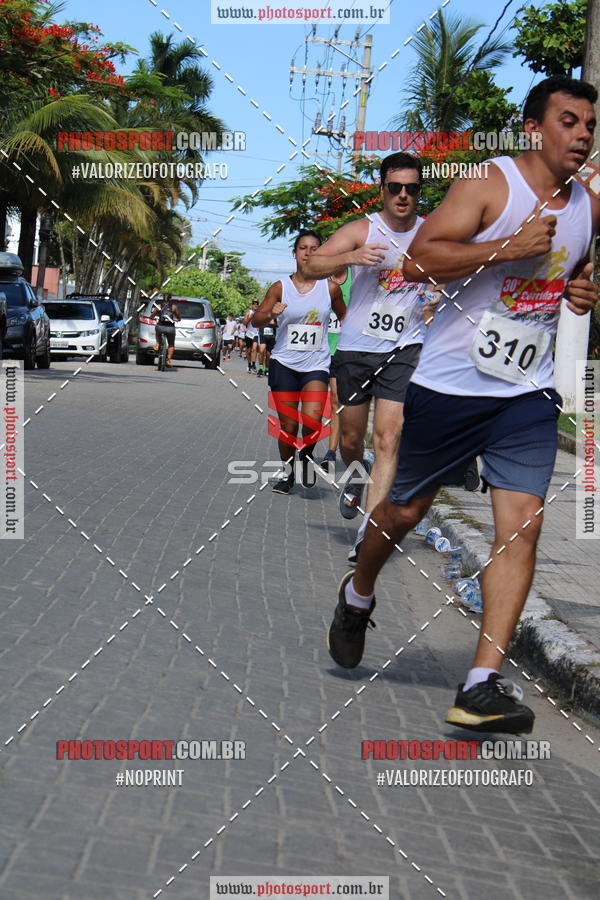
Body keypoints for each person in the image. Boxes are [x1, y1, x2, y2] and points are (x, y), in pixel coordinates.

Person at [327, 76, 600, 735]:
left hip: (526, 395)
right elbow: (420, 262)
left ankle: (481, 684)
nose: (583, 134)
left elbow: (575, 276)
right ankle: (358, 591)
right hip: (450, 386)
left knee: (524, 527)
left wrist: (581, 296)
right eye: (569, 121)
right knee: (405, 511)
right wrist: (505, 247)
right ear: (534, 128)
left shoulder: (588, 205)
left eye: (590, 124)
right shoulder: (488, 185)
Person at [305, 152, 438, 562]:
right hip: (356, 349)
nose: (403, 195)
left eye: (411, 189)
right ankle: (356, 471)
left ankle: (369, 532)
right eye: (395, 187)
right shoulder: (364, 229)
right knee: (350, 439)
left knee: (388, 437)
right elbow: (312, 264)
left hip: (405, 347)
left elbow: (456, 268)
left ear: (419, 192)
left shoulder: (432, 231)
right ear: (382, 189)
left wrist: (438, 294)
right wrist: (351, 256)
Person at [252, 230, 346, 493]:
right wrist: (270, 311)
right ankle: (289, 472)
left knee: (313, 419)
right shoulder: (281, 287)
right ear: (294, 254)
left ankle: (305, 455)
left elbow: (346, 318)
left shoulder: (330, 288)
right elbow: (255, 320)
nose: (308, 253)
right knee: (288, 426)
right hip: (284, 363)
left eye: (314, 248)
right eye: (303, 248)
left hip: (316, 364)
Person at [154, 292, 181, 367]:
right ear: (170, 299)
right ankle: (168, 360)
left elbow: (152, 316)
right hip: (170, 328)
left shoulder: (159, 306)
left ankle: (157, 344)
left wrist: (152, 318)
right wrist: (178, 319)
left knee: (157, 330)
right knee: (171, 344)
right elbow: (178, 317)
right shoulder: (174, 307)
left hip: (160, 327)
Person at [243, 301, 260, 372]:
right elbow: (244, 322)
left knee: (254, 349)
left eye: (257, 304)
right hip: (249, 333)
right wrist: (251, 317)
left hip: (256, 333)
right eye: (254, 304)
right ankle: (249, 364)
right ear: (251, 305)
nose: (255, 306)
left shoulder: (260, 312)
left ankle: (253, 364)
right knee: (249, 350)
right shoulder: (248, 312)